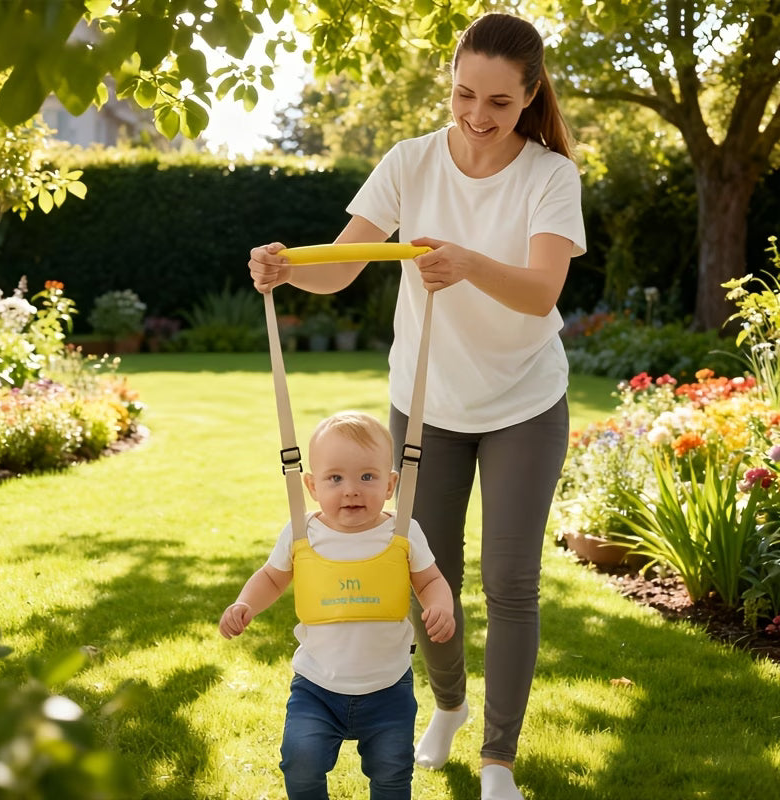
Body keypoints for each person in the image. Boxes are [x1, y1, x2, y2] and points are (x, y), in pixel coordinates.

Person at [247, 12, 586, 800]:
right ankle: (448, 707)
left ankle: (497, 758)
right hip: (426, 403)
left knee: (509, 579)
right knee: (420, 570)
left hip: (523, 402)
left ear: (529, 97)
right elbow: (343, 263)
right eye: (465, 93)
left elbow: (540, 293)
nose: (476, 116)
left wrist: (465, 263)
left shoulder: (548, 177)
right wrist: (287, 267)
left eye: (499, 103)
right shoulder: (411, 161)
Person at [219, 411, 455, 800]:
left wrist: (440, 606)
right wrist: (245, 603)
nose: (351, 490)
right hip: (317, 686)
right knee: (300, 760)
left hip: (389, 685)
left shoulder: (402, 532)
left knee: (393, 770)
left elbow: (430, 580)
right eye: (335, 478)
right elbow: (272, 577)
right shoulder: (302, 533)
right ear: (311, 485)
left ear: (391, 483)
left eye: (367, 477)